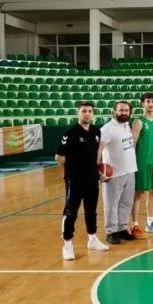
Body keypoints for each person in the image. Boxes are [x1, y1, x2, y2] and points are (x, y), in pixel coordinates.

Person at [55, 101, 109, 260]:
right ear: (78, 113)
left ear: (93, 114)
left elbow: (95, 154)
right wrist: (72, 172)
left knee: (91, 209)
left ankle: (92, 239)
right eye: (84, 111)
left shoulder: (96, 131)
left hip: (92, 178)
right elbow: (59, 157)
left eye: (90, 111)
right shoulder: (70, 132)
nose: (87, 113)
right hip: (75, 179)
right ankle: (67, 245)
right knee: (71, 211)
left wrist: (99, 171)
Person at [98, 101, 141, 243]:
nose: (124, 113)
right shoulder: (107, 129)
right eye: (121, 110)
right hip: (113, 174)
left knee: (126, 203)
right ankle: (111, 231)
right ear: (114, 111)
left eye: (126, 110)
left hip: (129, 171)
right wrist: (98, 170)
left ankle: (122, 228)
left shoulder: (126, 126)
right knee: (111, 204)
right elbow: (98, 149)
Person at [132, 92, 153, 234]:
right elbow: (133, 145)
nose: (151, 104)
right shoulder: (138, 122)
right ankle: (134, 224)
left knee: (152, 193)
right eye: (148, 101)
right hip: (142, 162)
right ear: (143, 103)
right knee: (139, 194)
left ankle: (150, 222)